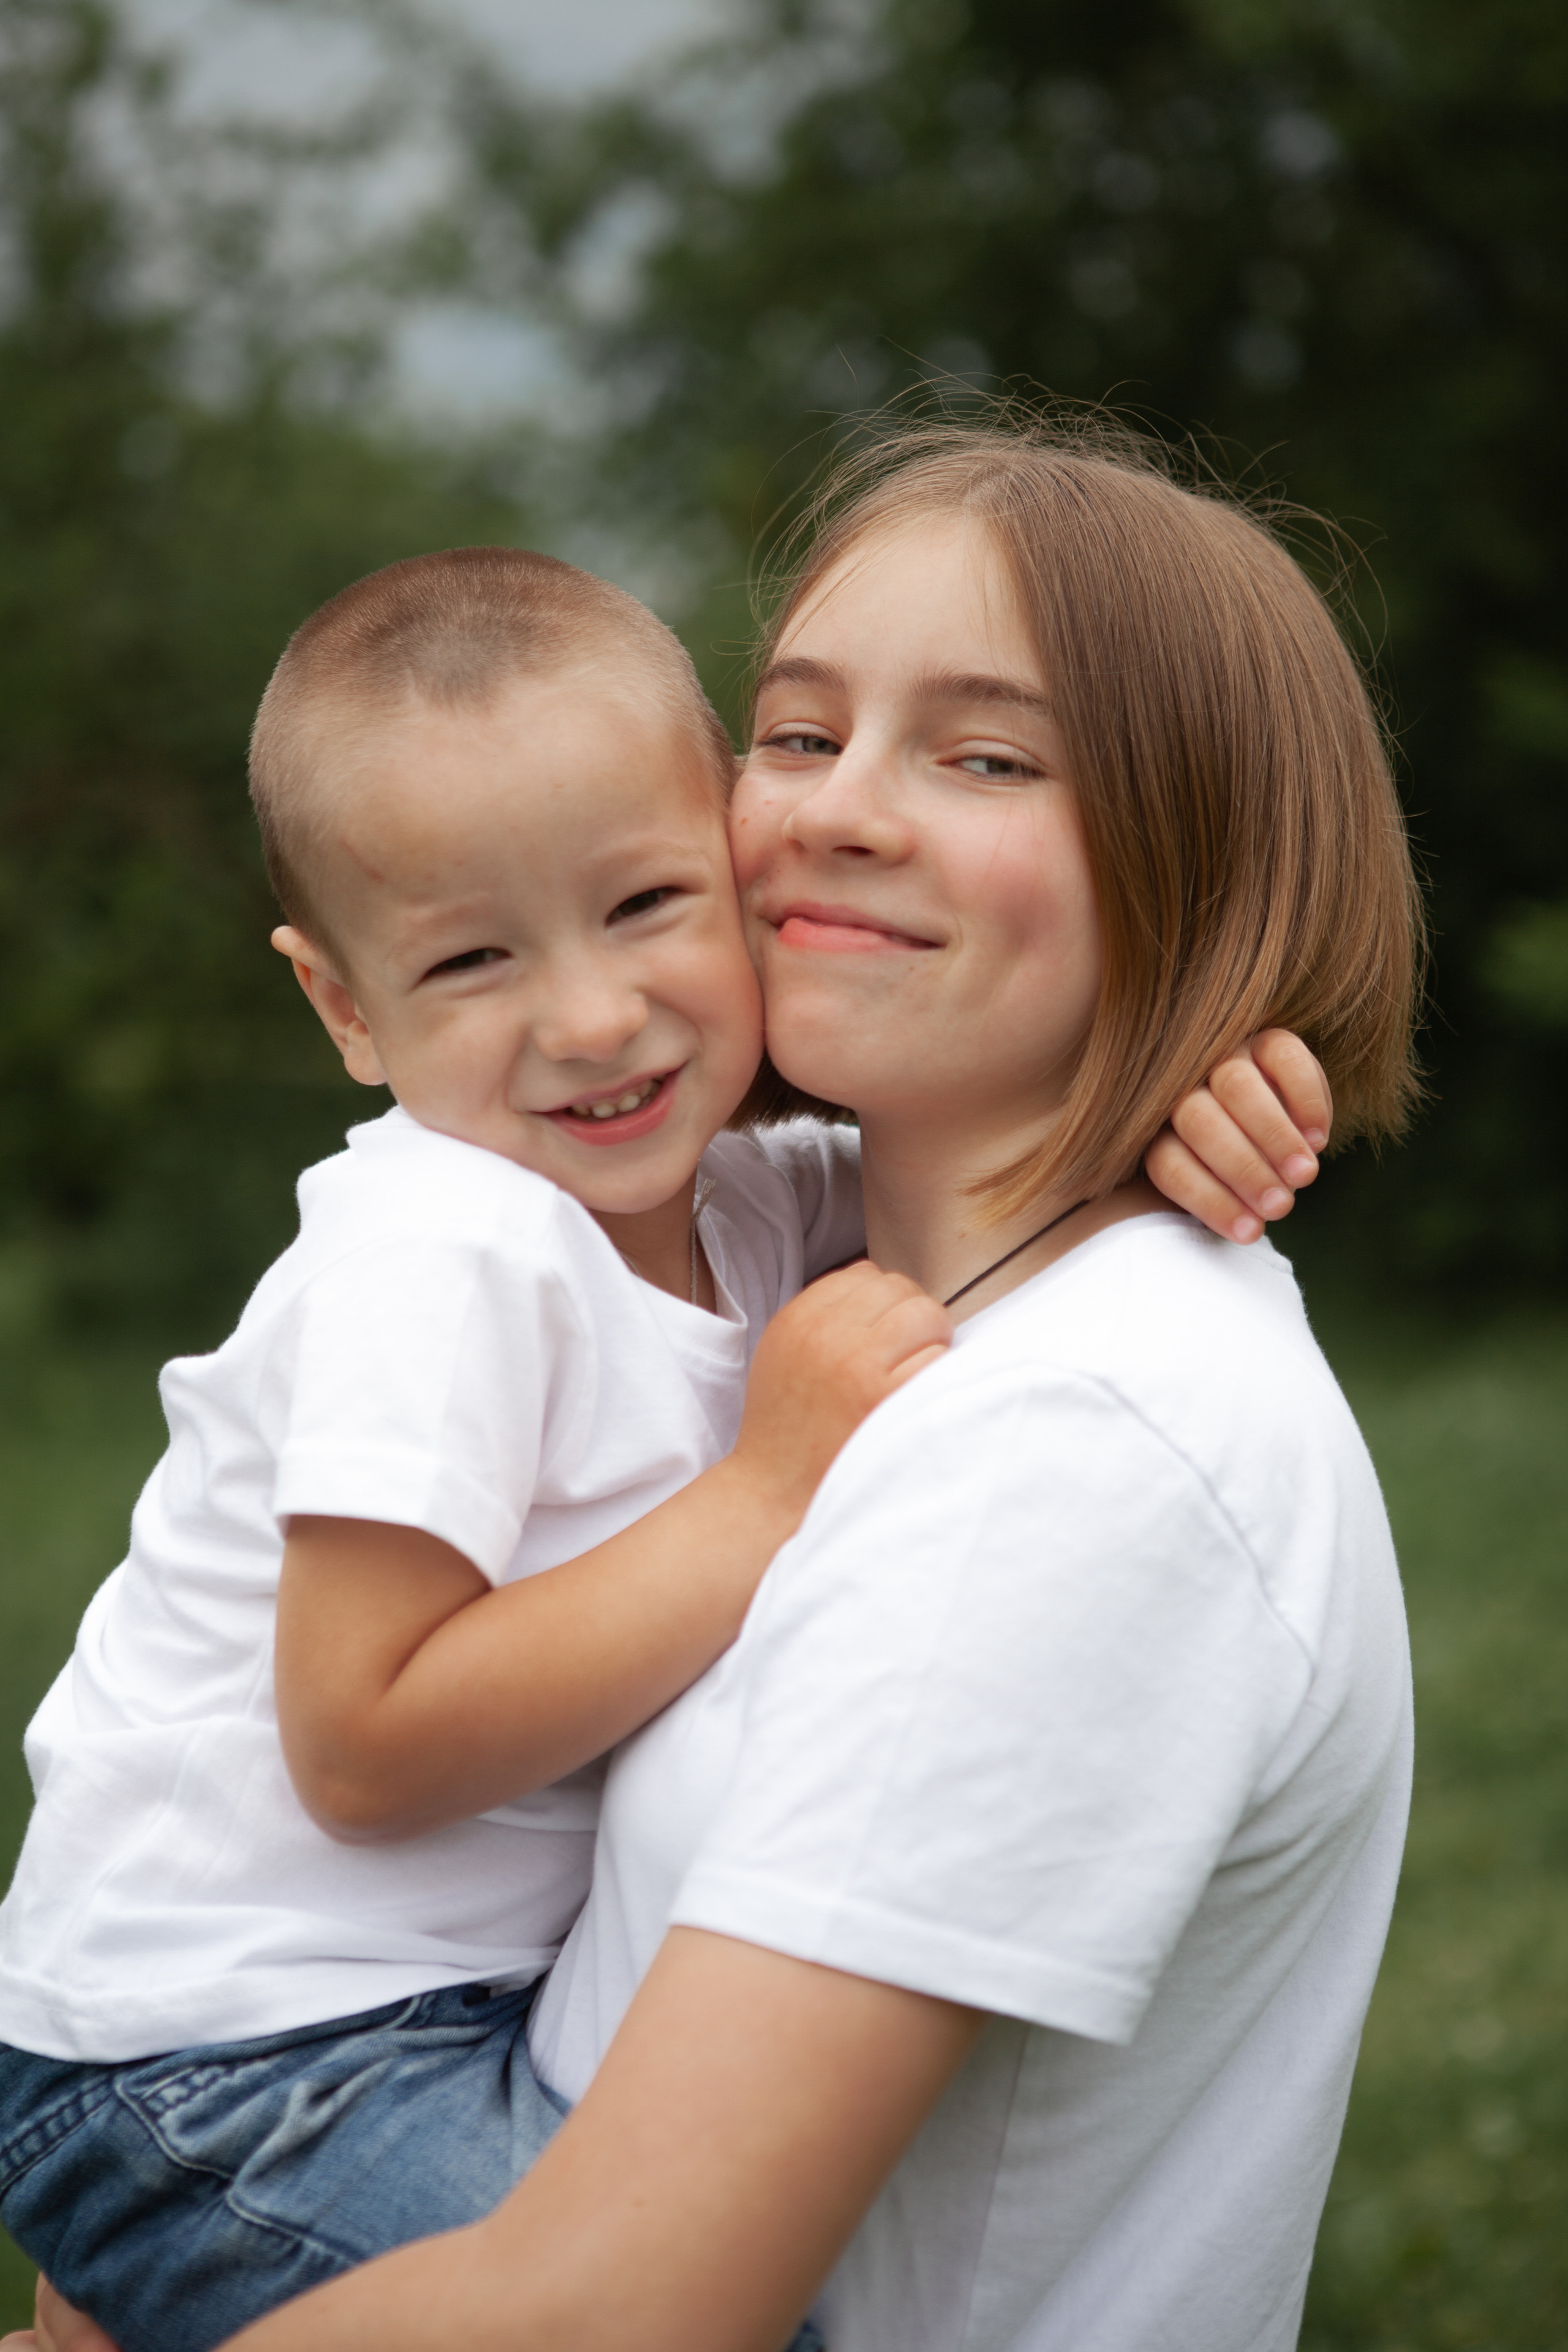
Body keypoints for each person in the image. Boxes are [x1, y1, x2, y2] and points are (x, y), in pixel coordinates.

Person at [193, 412, 1415, 2352]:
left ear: (1207, 853)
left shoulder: (1068, 1451)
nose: (838, 808)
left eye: (987, 754)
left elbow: (615, 2311)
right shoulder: (814, 1265)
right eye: (796, 729)